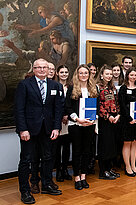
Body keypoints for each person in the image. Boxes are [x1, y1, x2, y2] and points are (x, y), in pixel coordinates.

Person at [15, 59, 64, 204]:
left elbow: (58, 109)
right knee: (26, 160)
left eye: (45, 67)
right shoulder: (24, 85)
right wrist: (23, 129)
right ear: (34, 69)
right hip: (29, 130)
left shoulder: (56, 85)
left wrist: (56, 128)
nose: (42, 70)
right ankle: (25, 191)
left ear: (49, 69)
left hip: (48, 129)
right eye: (39, 67)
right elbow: (19, 109)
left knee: (48, 157)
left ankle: (47, 184)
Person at [65, 64, 98, 189]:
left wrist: (93, 119)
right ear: (77, 75)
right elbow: (67, 107)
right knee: (77, 151)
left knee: (87, 151)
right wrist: (77, 119)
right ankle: (77, 177)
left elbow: (97, 107)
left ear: (89, 75)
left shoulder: (93, 89)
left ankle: (83, 176)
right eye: (81, 73)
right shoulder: (72, 88)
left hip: (89, 125)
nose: (83, 75)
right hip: (76, 125)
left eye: (86, 73)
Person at [118, 68, 136, 177]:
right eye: (131, 75)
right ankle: (127, 167)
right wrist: (129, 119)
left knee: (135, 143)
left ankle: (133, 165)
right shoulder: (123, 88)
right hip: (127, 121)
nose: (133, 77)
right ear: (127, 75)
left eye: (135, 75)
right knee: (127, 143)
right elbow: (122, 105)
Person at [95, 65, 120, 180]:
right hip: (104, 121)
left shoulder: (113, 88)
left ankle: (109, 168)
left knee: (112, 145)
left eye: (110, 74)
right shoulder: (97, 88)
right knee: (104, 145)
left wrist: (118, 115)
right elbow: (98, 105)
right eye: (107, 74)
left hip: (114, 120)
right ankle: (103, 171)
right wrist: (108, 116)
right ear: (101, 75)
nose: (109, 76)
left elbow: (117, 103)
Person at [54, 65, 72, 183]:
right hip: (57, 121)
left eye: (66, 72)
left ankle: (65, 169)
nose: (64, 74)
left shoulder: (71, 87)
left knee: (66, 147)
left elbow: (71, 103)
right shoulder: (54, 86)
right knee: (56, 148)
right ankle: (58, 170)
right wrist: (60, 117)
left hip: (69, 121)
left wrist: (67, 115)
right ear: (57, 73)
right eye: (62, 72)